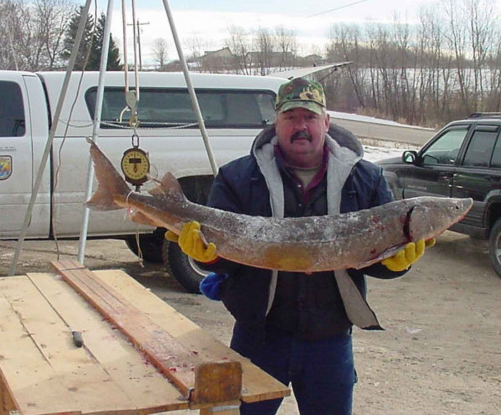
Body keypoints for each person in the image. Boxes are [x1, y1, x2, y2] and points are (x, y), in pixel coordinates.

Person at [165, 77, 433, 415]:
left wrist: (397, 263)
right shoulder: (236, 177)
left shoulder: (367, 179)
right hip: (258, 335)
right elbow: (226, 261)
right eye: (291, 118)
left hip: (330, 339)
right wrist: (207, 256)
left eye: (309, 117)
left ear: (326, 122)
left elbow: (375, 259)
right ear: (276, 123)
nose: (300, 126)